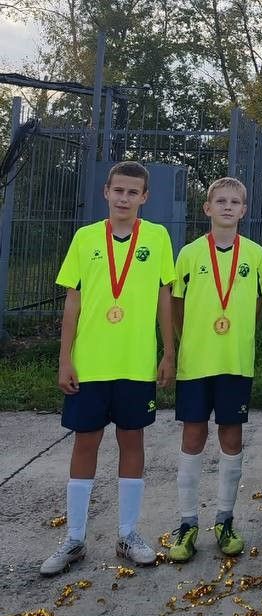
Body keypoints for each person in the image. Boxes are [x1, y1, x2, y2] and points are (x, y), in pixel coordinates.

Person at [41, 161, 175, 575]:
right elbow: (73, 301)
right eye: (118, 190)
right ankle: (74, 537)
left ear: (144, 197)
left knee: (132, 442)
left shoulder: (157, 237)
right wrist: (65, 358)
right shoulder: (85, 238)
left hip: (135, 363)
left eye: (133, 192)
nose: (124, 198)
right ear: (106, 192)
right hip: (91, 363)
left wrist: (169, 351)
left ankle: (128, 533)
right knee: (86, 443)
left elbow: (164, 297)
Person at [168, 177, 262, 562]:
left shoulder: (255, 255)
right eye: (221, 201)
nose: (228, 207)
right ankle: (187, 521)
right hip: (196, 362)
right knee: (193, 434)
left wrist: (237, 336)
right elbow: (177, 304)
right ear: (207, 208)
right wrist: (189, 339)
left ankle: (225, 519)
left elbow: (259, 304)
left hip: (235, 362)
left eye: (235, 202)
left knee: (231, 435)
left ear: (244, 210)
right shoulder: (189, 253)